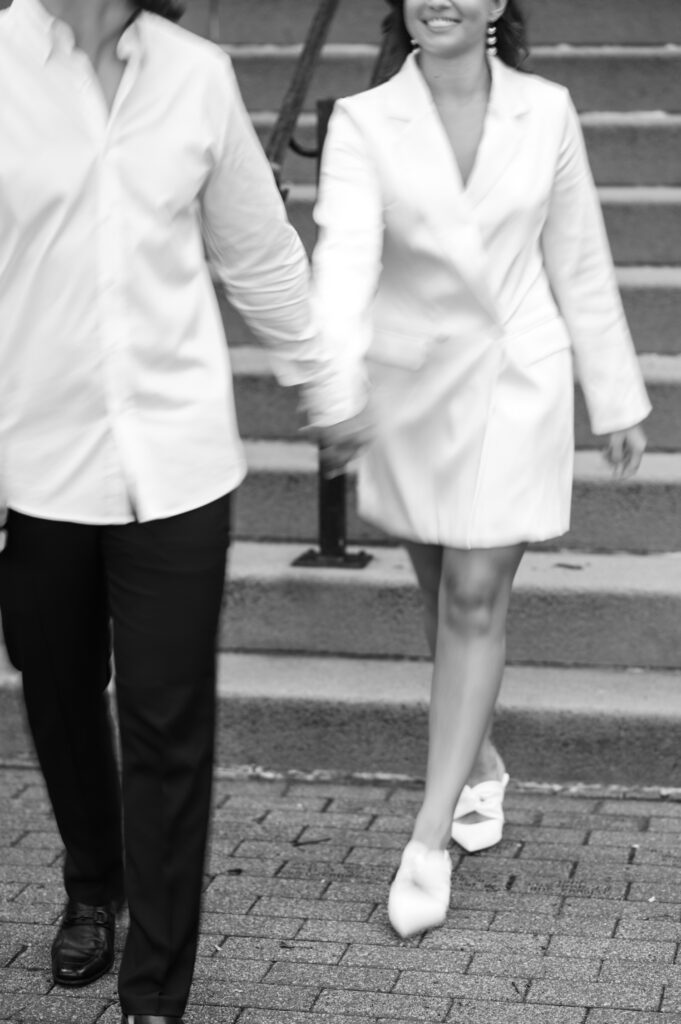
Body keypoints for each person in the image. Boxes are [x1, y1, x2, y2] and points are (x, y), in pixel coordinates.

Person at [0, 0, 366, 1021]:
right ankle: (91, 878)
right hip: (36, 461)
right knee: (58, 686)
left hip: (177, 461)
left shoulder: (195, 76)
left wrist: (326, 385)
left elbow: (257, 252)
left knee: (168, 725)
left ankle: (154, 993)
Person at [312, 0, 650, 939]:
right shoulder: (363, 120)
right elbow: (341, 266)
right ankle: (480, 763)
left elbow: (576, 260)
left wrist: (612, 395)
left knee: (471, 599)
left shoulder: (545, 110)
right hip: (413, 392)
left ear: (499, 0)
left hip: (515, 381)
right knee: (438, 591)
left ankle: (426, 840)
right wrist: (332, 387)